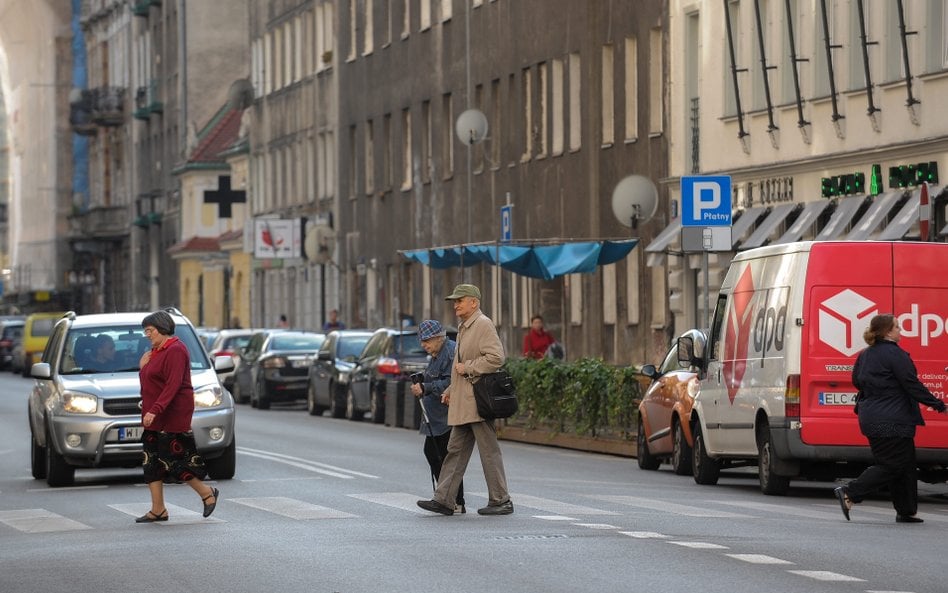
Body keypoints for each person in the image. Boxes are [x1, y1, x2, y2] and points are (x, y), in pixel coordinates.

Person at [833, 313, 947, 523]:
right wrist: (938, 405)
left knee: (905, 466)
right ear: (887, 331)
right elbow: (911, 384)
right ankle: (850, 492)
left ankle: (906, 511)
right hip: (892, 419)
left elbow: (857, 381)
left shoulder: (865, 354)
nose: (900, 330)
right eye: (897, 327)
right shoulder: (896, 355)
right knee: (892, 465)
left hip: (872, 416)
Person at [417, 284, 513, 516]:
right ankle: (444, 500)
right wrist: (451, 388)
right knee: (455, 451)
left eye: (460, 300)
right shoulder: (464, 327)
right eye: (455, 301)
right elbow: (461, 366)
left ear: (474, 302)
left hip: (477, 402)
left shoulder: (482, 324)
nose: (456, 305)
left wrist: (467, 368)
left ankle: (501, 500)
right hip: (464, 401)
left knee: (489, 451)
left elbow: (496, 358)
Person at [136, 311, 219, 523]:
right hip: (155, 415)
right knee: (151, 461)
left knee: (176, 460)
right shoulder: (155, 352)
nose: (147, 334)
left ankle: (207, 493)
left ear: (162, 328)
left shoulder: (176, 350)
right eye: (145, 331)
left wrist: (155, 409)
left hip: (171, 415)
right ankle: (158, 509)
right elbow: (149, 384)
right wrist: (142, 368)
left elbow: (172, 386)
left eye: (150, 330)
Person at [410, 319, 465, 513]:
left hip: (446, 416)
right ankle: (447, 498)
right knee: (435, 454)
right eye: (422, 341)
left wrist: (426, 387)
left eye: (427, 341)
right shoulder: (437, 353)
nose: (423, 345)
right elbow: (435, 376)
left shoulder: (449, 352)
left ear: (438, 338)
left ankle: (453, 500)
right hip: (436, 416)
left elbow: (451, 382)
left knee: (444, 457)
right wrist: (422, 380)